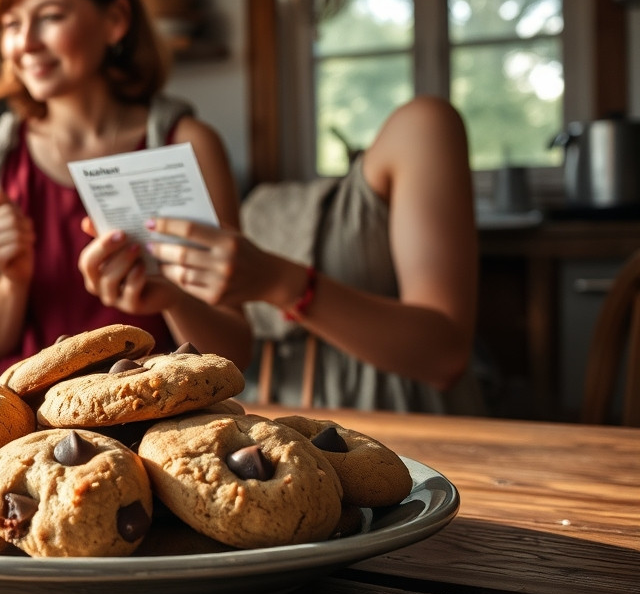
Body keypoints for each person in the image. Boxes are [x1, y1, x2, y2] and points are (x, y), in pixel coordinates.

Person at [0, 0, 251, 378]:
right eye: (11, 24)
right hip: (29, 411)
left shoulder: (188, 145)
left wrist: (173, 297)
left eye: (50, 16)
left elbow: (235, 354)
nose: (25, 43)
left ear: (115, 20)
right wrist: (14, 280)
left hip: (148, 406)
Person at [148, 96, 486, 414]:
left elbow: (446, 357)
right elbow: (225, 359)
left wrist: (281, 283)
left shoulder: (422, 127)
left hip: (407, 422)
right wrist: (174, 299)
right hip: (267, 423)